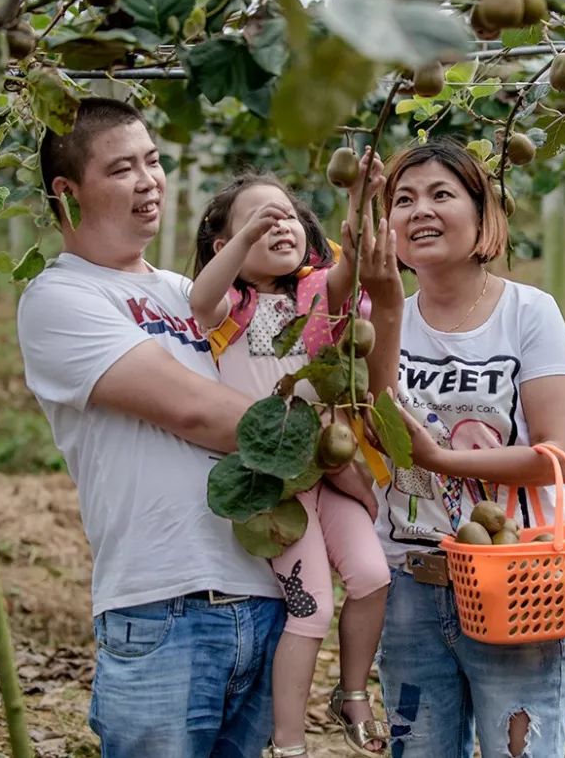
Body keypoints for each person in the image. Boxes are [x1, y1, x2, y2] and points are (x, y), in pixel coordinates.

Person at [16, 97, 392, 758]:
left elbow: (314, 333)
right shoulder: (63, 298)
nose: (148, 181)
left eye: (153, 161)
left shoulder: (189, 289)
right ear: (68, 192)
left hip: (263, 589)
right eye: (122, 169)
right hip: (164, 604)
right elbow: (198, 411)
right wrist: (336, 456)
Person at [369, 139, 565, 758]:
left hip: (516, 583)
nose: (420, 211)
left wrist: (442, 460)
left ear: (482, 212)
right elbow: (374, 432)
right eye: (403, 200)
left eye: (441, 194)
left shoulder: (529, 313)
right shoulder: (383, 318)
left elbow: (559, 456)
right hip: (410, 581)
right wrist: (382, 305)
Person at [190, 168, 398, 758]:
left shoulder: (316, 297)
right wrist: (242, 239)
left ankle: (352, 694)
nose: (279, 226)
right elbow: (199, 299)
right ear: (225, 245)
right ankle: (289, 743)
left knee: (373, 577)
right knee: (313, 609)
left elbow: (352, 263)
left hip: (327, 468)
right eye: (261, 221)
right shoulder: (231, 305)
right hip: (274, 485)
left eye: (287, 216)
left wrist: (359, 196)